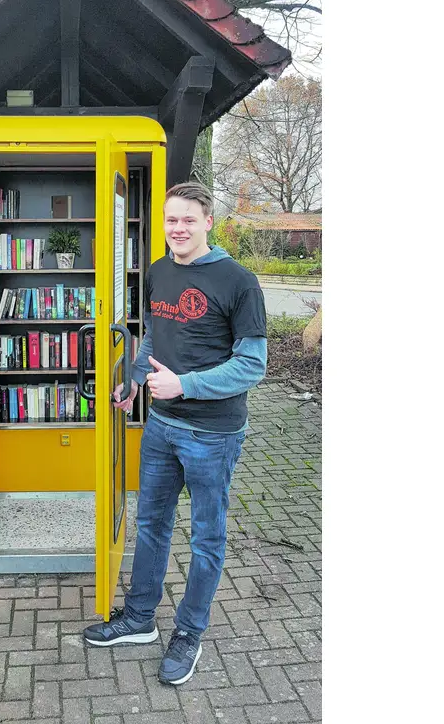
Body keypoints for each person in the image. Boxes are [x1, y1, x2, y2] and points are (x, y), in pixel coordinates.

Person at [81, 181, 268, 685]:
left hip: (213, 434)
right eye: (170, 220)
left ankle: (189, 632)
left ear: (209, 221)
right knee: (152, 525)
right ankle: (140, 618)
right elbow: (154, 339)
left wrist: (183, 384)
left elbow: (253, 366)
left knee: (207, 538)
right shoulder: (160, 273)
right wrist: (135, 379)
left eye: (188, 220)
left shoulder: (239, 282)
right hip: (162, 428)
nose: (178, 229)